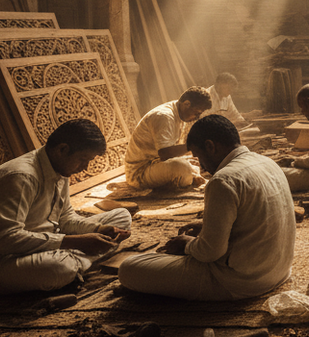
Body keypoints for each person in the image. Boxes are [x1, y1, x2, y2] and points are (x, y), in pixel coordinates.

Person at [119, 115, 296, 300]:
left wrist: (186, 244)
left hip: (241, 282)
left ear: (211, 146)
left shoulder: (223, 180)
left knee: (129, 268)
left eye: (198, 156)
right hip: (279, 272)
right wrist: (208, 226)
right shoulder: (267, 162)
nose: (201, 166)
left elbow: (210, 252)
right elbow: (253, 219)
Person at [0, 119, 132, 294]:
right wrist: (73, 242)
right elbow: (4, 239)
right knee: (58, 268)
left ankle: (79, 262)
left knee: (121, 216)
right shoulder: (21, 177)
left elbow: (65, 218)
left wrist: (99, 229)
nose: (85, 167)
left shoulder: (60, 169)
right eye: (82, 159)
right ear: (62, 149)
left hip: (45, 243)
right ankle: (78, 263)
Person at [125, 87, 212, 189]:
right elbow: (165, 154)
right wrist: (192, 145)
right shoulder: (164, 117)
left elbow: (171, 151)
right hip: (139, 172)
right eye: (196, 113)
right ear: (187, 104)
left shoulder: (178, 113)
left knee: (195, 161)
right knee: (182, 168)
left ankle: (187, 176)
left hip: (156, 163)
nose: (197, 117)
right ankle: (184, 178)